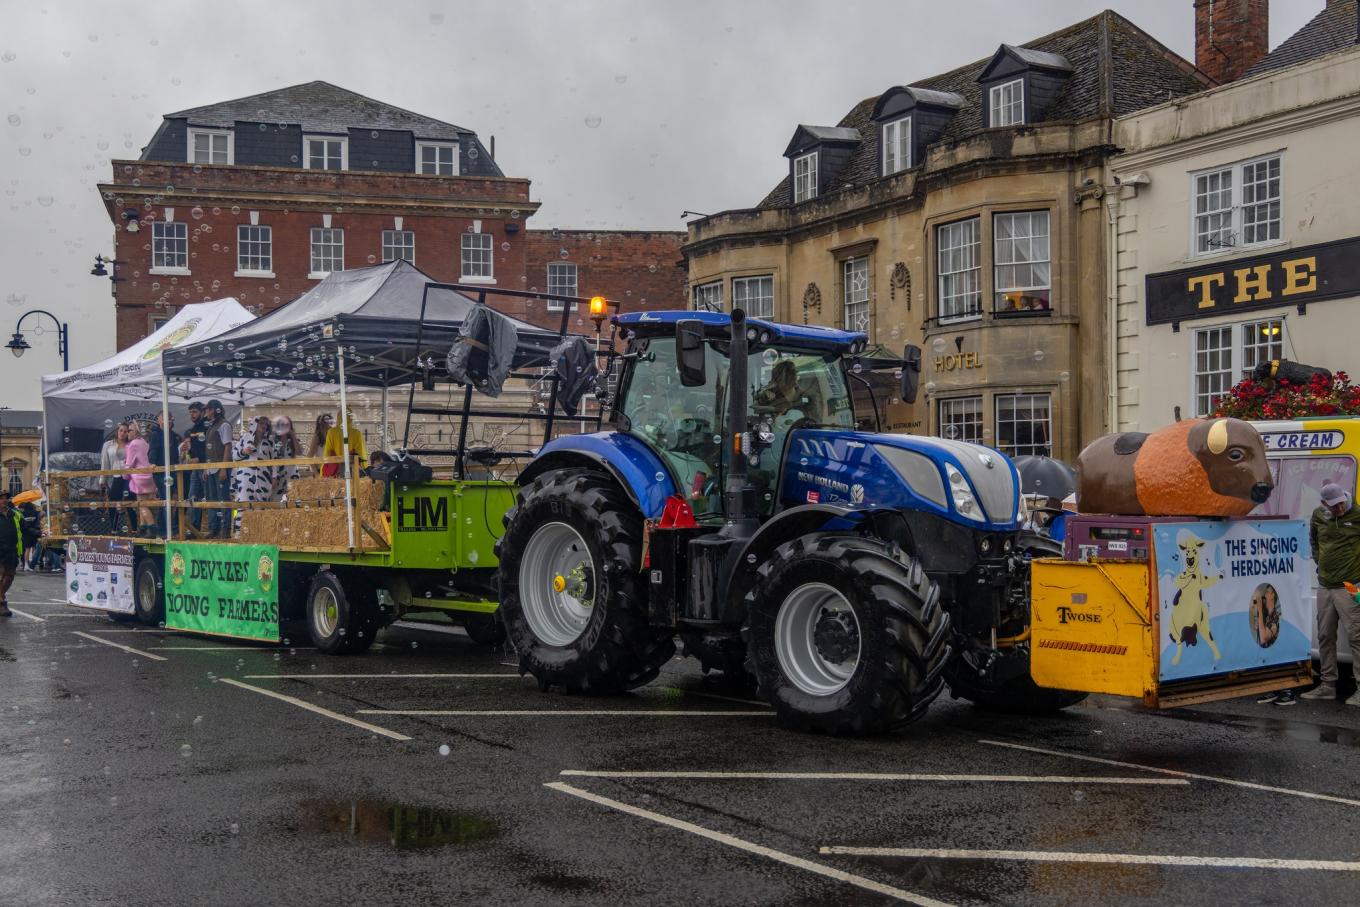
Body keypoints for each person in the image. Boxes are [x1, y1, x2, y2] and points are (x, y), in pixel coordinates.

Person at [1300, 482, 1360, 706]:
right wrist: (1319, 563)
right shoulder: (1318, 516)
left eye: (1342, 504)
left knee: (1357, 637)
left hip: (1350, 586)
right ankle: (1327, 686)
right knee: (1325, 636)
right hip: (1325, 585)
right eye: (1335, 507)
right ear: (1325, 503)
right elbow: (1314, 541)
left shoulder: (1357, 514)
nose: (1340, 509)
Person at [231, 416, 278, 531]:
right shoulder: (245, 438)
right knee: (243, 504)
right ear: (254, 424)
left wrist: (274, 476)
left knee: (261, 506)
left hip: (263, 478)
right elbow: (234, 456)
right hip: (245, 478)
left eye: (266, 424)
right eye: (261, 423)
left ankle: (259, 533)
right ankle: (239, 533)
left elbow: (275, 460)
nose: (263, 426)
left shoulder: (270, 442)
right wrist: (243, 451)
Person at [203, 400, 234, 539]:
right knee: (212, 499)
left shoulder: (224, 425)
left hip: (220, 468)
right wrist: (206, 468)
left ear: (216, 410)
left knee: (223, 499)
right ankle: (213, 528)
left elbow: (228, 446)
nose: (207, 412)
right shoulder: (211, 426)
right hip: (211, 468)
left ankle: (225, 530)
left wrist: (223, 468)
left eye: (208, 409)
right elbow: (209, 450)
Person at [148, 411, 181, 537]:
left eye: (170, 419)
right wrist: (152, 462)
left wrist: (177, 464)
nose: (168, 421)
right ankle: (165, 529)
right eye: (165, 419)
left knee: (168, 499)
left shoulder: (172, 435)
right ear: (158, 420)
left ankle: (165, 528)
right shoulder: (156, 434)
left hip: (171, 470)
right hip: (161, 471)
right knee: (164, 498)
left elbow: (174, 453)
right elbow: (153, 450)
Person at [179, 401, 209, 535]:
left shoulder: (208, 427)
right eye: (190, 412)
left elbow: (209, 450)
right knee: (192, 498)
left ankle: (215, 529)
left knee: (210, 499)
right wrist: (184, 451)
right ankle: (194, 529)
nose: (192, 414)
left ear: (203, 412)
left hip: (207, 467)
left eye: (195, 411)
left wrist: (197, 459)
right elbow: (187, 453)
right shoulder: (191, 430)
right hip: (195, 469)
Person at [123, 420, 157, 537]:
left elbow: (129, 464)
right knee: (143, 503)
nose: (128, 433)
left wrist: (125, 475)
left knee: (142, 505)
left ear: (136, 431)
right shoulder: (144, 442)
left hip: (139, 477)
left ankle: (151, 528)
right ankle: (142, 528)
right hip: (149, 476)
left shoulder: (133, 444)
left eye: (130, 431)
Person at [100, 421, 133, 533]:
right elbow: (104, 463)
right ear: (117, 431)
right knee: (113, 503)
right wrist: (102, 480)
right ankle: (113, 529)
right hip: (114, 477)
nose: (123, 433)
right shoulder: (108, 445)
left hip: (128, 477)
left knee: (129, 501)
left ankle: (134, 530)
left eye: (125, 431)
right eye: (121, 430)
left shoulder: (131, 444)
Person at [322, 411, 367, 478]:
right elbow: (361, 454)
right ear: (351, 418)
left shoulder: (331, 432)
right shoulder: (356, 433)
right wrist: (365, 468)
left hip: (335, 472)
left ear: (338, 417)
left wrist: (323, 471)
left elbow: (327, 453)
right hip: (353, 472)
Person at [270, 415, 300, 501]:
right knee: (275, 500)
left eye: (287, 424)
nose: (285, 427)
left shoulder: (292, 440)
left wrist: (293, 436)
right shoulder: (273, 439)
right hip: (278, 473)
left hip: (292, 473)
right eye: (282, 424)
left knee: (294, 500)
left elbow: (299, 452)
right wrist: (274, 476)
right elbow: (272, 458)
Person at [0, 490, 20, 616]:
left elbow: (25, 527)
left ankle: (1, 598)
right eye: (1, 498)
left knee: (9, 577)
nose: (4, 500)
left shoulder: (14, 514)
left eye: (5, 498)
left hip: (12, 550)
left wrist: (39, 532)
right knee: (1, 575)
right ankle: (2, 603)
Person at [18, 500, 41, 572]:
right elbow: (38, 523)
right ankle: (32, 562)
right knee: (34, 548)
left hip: (26, 533)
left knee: (27, 549)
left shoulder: (23, 514)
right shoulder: (35, 513)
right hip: (34, 532)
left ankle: (26, 565)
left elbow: (22, 524)